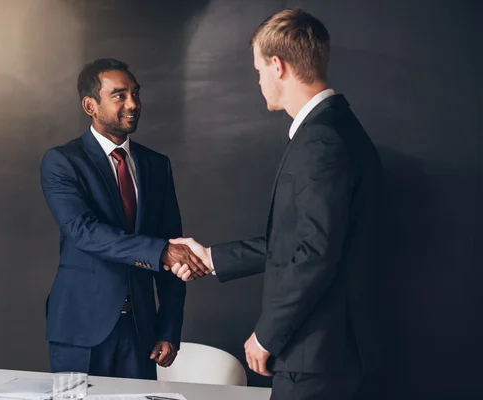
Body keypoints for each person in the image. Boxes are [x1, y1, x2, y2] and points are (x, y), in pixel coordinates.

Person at [167, 8, 382, 399]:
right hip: (329, 355)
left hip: (314, 357)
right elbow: (299, 242)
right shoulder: (339, 129)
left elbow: (314, 254)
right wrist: (212, 257)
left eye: (258, 70)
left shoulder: (320, 141)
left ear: (278, 66)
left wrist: (267, 335)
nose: (259, 80)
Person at [40, 58, 210, 379]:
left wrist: (169, 327)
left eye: (135, 93)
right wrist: (159, 251)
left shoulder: (156, 165)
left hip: (140, 332)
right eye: (119, 95)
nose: (133, 104)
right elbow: (84, 232)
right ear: (91, 105)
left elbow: (173, 247)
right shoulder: (62, 162)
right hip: (81, 331)